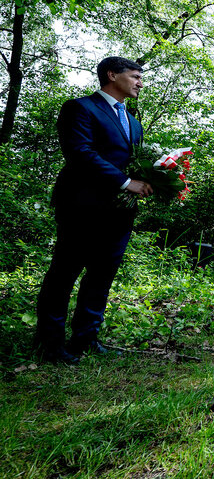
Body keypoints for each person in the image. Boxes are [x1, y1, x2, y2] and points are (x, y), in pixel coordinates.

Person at [34, 56, 154, 364]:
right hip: (82, 206)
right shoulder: (80, 108)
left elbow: (134, 162)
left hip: (120, 212)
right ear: (112, 75)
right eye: (135, 76)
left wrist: (157, 180)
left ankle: (86, 338)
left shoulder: (134, 122)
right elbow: (80, 152)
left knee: (101, 276)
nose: (140, 83)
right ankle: (50, 345)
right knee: (64, 275)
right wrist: (126, 182)